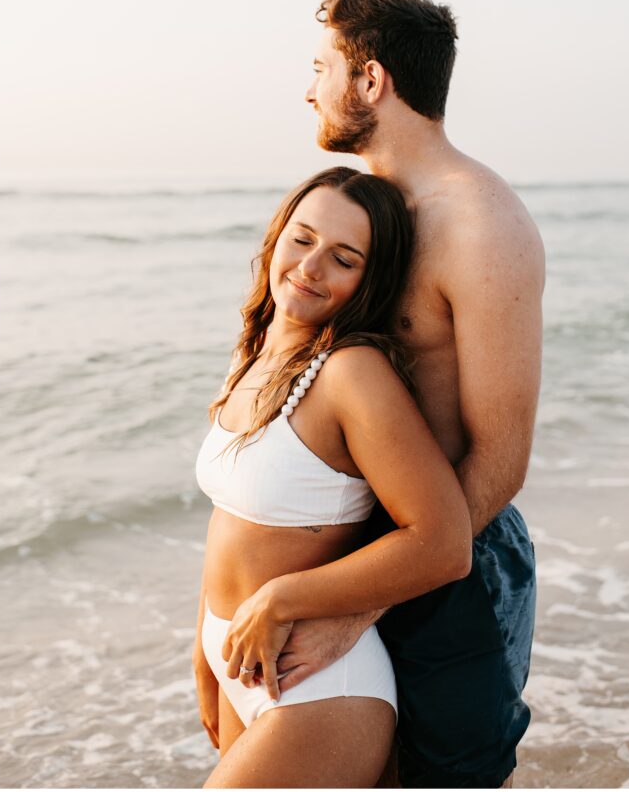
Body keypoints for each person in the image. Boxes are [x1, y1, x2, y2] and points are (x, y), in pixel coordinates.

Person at [272, 0, 545, 789]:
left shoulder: (479, 224)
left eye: (321, 67)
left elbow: (499, 458)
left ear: (371, 81)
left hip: (453, 576)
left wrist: (363, 607)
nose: (309, 88)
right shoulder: (376, 214)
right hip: (369, 554)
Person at [192, 166, 473, 789]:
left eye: (343, 258)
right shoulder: (257, 351)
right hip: (242, 659)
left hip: (317, 686)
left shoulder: (352, 373)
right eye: (303, 238)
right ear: (276, 236)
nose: (311, 267)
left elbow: (443, 541)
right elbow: (231, 521)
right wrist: (205, 648)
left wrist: (280, 598)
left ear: (369, 281)